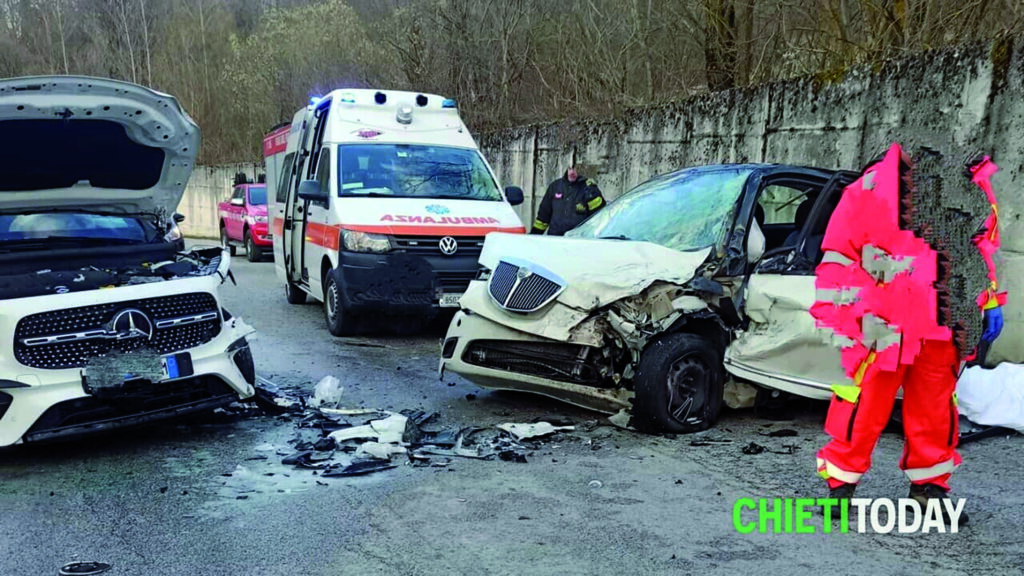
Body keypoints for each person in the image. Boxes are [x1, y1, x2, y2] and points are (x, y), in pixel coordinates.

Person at [811, 144, 1006, 524]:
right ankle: (841, 485)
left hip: (942, 320)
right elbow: (839, 256)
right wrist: (841, 315)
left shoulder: (963, 188)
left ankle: (928, 490)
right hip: (883, 317)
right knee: (865, 402)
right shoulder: (867, 189)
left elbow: (977, 250)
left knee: (934, 408)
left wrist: (988, 299)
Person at [530, 166, 605, 235]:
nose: (572, 172)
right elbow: (543, 216)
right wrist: (533, 236)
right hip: (555, 239)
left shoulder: (589, 188)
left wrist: (592, 195)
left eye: (575, 169)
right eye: (570, 169)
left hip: (579, 240)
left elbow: (599, 216)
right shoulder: (555, 187)